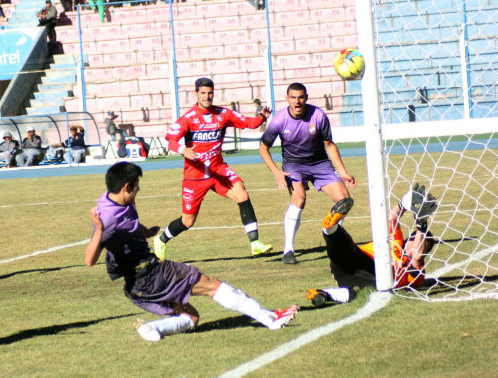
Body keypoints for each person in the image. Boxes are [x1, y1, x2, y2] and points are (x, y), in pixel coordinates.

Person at [85, 162, 299, 342]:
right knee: (212, 285)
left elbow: (129, 221)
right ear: (126, 187)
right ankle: (270, 319)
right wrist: (100, 231)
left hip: (138, 287)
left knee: (191, 317)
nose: (139, 190)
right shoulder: (107, 219)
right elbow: (89, 260)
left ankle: (153, 328)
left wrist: (146, 231)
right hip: (152, 274)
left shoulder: (113, 198)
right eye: (137, 186)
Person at [153, 77, 273, 260]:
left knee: (242, 194)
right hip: (195, 176)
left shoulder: (223, 114)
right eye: (203, 93)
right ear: (196, 94)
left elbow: (250, 123)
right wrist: (183, 150)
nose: (207, 97)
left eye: (210, 93)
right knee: (188, 221)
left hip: (218, 170)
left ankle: (255, 243)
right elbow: (170, 139)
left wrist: (262, 116)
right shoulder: (188, 118)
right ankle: (161, 240)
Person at [259, 82, 357, 264]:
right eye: (293, 98)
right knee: (299, 199)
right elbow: (263, 148)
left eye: (301, 97)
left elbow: (329, 145)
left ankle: (331, 235)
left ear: (306, 98)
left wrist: (343, 172)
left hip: (320, 164)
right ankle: (288, 250)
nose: (297, 102)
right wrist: (277, 172)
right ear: (287, 99)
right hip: (293, 166)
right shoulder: (279, 120)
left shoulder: (318, 115)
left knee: (344, 201)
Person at [306, 184, 438, 306]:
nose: (420, 244)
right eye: (418, 240)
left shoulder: (417, 270)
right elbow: (391, 219)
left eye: (426, 245)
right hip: (359, 259)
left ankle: (323, 294)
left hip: (367, 277)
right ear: (409, 239)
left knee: (362, 292)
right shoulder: (396, 241)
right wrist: (402, 204)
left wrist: (422, 224)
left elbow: (418, 257)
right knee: (345, 246)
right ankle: (329, 229)